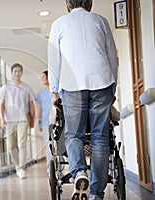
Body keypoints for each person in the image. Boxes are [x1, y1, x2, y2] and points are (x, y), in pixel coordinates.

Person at [48, 0, 118, 199]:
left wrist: (54, 91)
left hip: (72, 85)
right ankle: (97, 194)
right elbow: (112, 55)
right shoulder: (101, 21)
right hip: (102, 82)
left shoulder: (59, 24)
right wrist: (113, 86)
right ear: (90, 5)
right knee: (101, 139)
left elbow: (54, 61)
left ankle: (79, 172)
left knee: (73, 135)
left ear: (67, 6)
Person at [0, 63, 35, 179]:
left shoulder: (27, 87)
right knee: (11, 146)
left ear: (22, 73)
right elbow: (1, 105)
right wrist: (2, 119)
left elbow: (31, 105)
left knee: (22, 143)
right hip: (9, 121)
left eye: (19, 71)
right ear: (12, 73)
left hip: (23, 119)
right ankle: (18, 165)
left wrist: (32, 119)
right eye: (15, 71)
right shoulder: (5, 88)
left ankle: (21, 168)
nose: (17, 73)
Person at [35, 70, 54, 175]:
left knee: (60, 145)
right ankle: (50, 168)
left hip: (57, 121)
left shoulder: (56, 91)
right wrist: (39, 123)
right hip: (46, 122)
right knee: (48, 145)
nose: (42, 79)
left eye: (43, 77)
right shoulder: (40, 94)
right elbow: (39, 109)